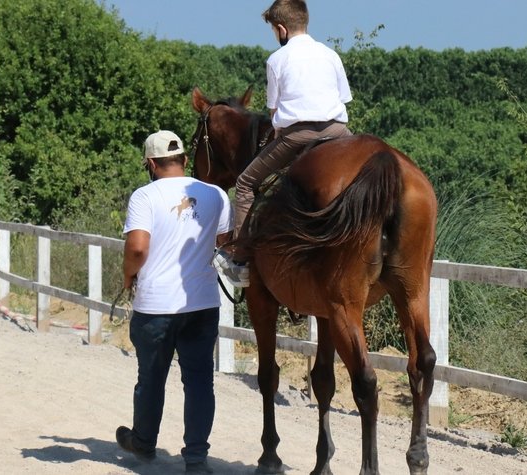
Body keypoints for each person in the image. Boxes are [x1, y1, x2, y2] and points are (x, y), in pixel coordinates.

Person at [214, 0, 354, 288]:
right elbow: (342, 100)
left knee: (244, 183)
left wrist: (279, 135)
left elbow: (275, 114)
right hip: (339, 131)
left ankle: (240, 260)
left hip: (297, 135)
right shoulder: (331, 55)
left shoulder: (277, 60)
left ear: (281, 29)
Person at [116, 130, 232, 474]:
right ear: (183, 159)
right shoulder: (215, 194)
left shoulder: (144, 196)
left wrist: (127, 275)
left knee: (151, 377)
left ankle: (144, 443)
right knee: (199, 381)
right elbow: (225, 242)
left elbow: (137, 247)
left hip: (156, 305)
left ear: (151, 164)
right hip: (202, 302)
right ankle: (195, 458)